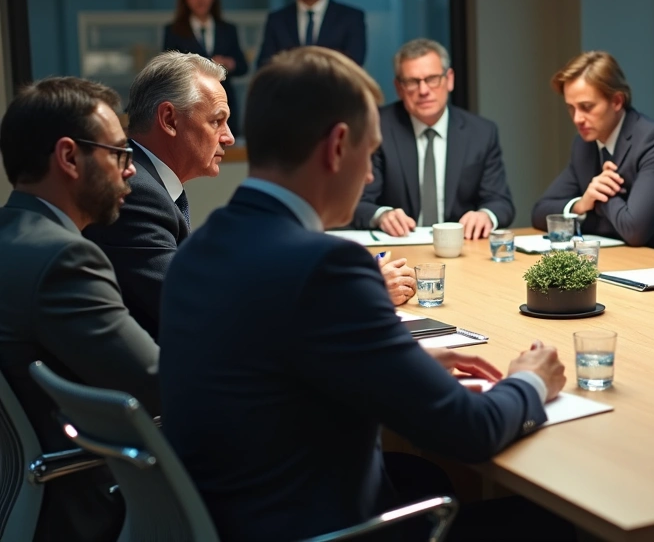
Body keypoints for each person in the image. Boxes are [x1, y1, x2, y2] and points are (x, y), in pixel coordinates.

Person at [160, 46, 568, 541]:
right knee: (556, 526)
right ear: (337, 147)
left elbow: (275, 366)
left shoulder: (200, 246)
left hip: (234, 517)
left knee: (425, 478)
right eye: (369, 152)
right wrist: (530, 381)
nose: (371, 175)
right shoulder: (327, 266)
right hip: (324, 528)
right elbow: (471, 432)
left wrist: (397, 362)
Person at [84, 53, 415, 339]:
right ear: (169, 119)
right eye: (217, 121)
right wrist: (357, 294)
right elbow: (202, 306)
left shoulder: (151, 183)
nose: (228, 137)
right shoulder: (136, 191)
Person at [0, 77, 160, 542]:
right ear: (69, 157)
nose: (131, 170)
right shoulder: (64, 259)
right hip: (83, 513)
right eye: (119, 153)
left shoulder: (13, 240)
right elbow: (158, 385)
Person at [532, 51, 654, 250]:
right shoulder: (584, 145)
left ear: (617, 101)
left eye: (586, 107)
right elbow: (540, 212)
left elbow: (635, 231)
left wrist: (602, 196)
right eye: (571, 108)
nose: (577, 118)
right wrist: (581, 205)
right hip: (615, 258)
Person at [353, 38, 514, 239]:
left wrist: (486, 215)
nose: (423, 91)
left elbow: (500, 202)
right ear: (399, 88)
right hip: (399, 244)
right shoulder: (376, 128)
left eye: (432, 79)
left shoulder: (481, 133)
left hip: (462, 245)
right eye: (412, 82)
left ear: (450, 79)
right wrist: (382, 216)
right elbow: (357, 202)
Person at [162, 0, 249, 135]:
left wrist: (230, 64)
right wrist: (206, 65)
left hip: (224, 102)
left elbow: (243, 67)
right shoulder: (173, 31)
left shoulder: (228, 29)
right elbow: (169, 71)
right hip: (191, 104)